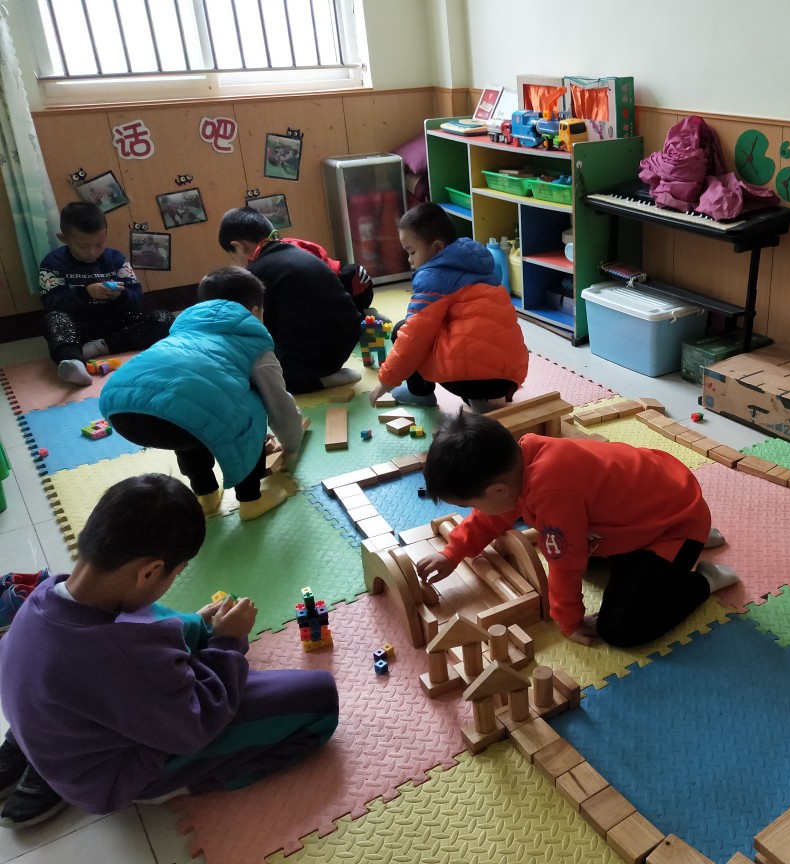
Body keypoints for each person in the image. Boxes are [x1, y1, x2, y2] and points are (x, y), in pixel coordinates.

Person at [0, 474, 339, 829]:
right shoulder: (121, 659)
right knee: (319, 698)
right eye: (176, 573)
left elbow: (144, 623)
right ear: (150, 572)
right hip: (115, 776)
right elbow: (197, 722)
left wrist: (199, 624)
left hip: (59, 729)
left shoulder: (45, 594)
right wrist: (228, 643)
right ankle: (182, 783)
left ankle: (30, 756)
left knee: (151, 615)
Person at [416, 411, 738, 648]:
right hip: (651, 505)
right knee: (580, 557)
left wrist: (568, 621)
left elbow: (564, 563)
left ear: (498, 490)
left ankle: (704, 580)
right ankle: (694, 540)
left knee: (619, 630)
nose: (474, 510)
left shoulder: (552, 491)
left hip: (673, 526)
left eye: (470, 503)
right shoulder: (520, 463)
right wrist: (452, 552)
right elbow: (490, 517)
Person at [99, 267, 303, 521]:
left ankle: (205, 494)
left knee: (187, 406)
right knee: (249, 402)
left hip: (119, 407)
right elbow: (279, 405)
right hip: (169, 416)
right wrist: (291, 446)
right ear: (254, 312)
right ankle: (251, 500)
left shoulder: (185, 329)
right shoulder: (255, 343)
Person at [367, 202, 528, 414]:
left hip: (473, 378)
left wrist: (387, 380)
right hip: (510, 375)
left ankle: (420, 393)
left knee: (402, 330)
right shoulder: (475, 263)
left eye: (412, 252)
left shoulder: (433, 277)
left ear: (437, 247)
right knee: (463, 332)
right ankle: (485, 397)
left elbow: (414, 336)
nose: (410, 260)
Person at [218, 207, 362, 394]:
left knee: (256, 378)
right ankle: (323, 371)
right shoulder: (297, 251)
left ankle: (320, 380)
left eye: (233, 257)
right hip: (347, 339)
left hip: (317, 354)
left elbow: (259, 328)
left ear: (239, 246)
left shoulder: (256, 274)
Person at [39, 201, 175, 387]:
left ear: (106, 234)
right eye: (83, 247)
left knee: (165, 319)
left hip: (117, 322)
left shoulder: (116, 258)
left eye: (99, 244)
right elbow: (52, 303)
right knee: (53, 320)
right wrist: (86, 293)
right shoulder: (53, 262)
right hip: (81, 325)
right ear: (64, 238)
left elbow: (137, 299)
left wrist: (121, 294)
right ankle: (75, 362)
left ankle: (97, 347)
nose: (92, 252)